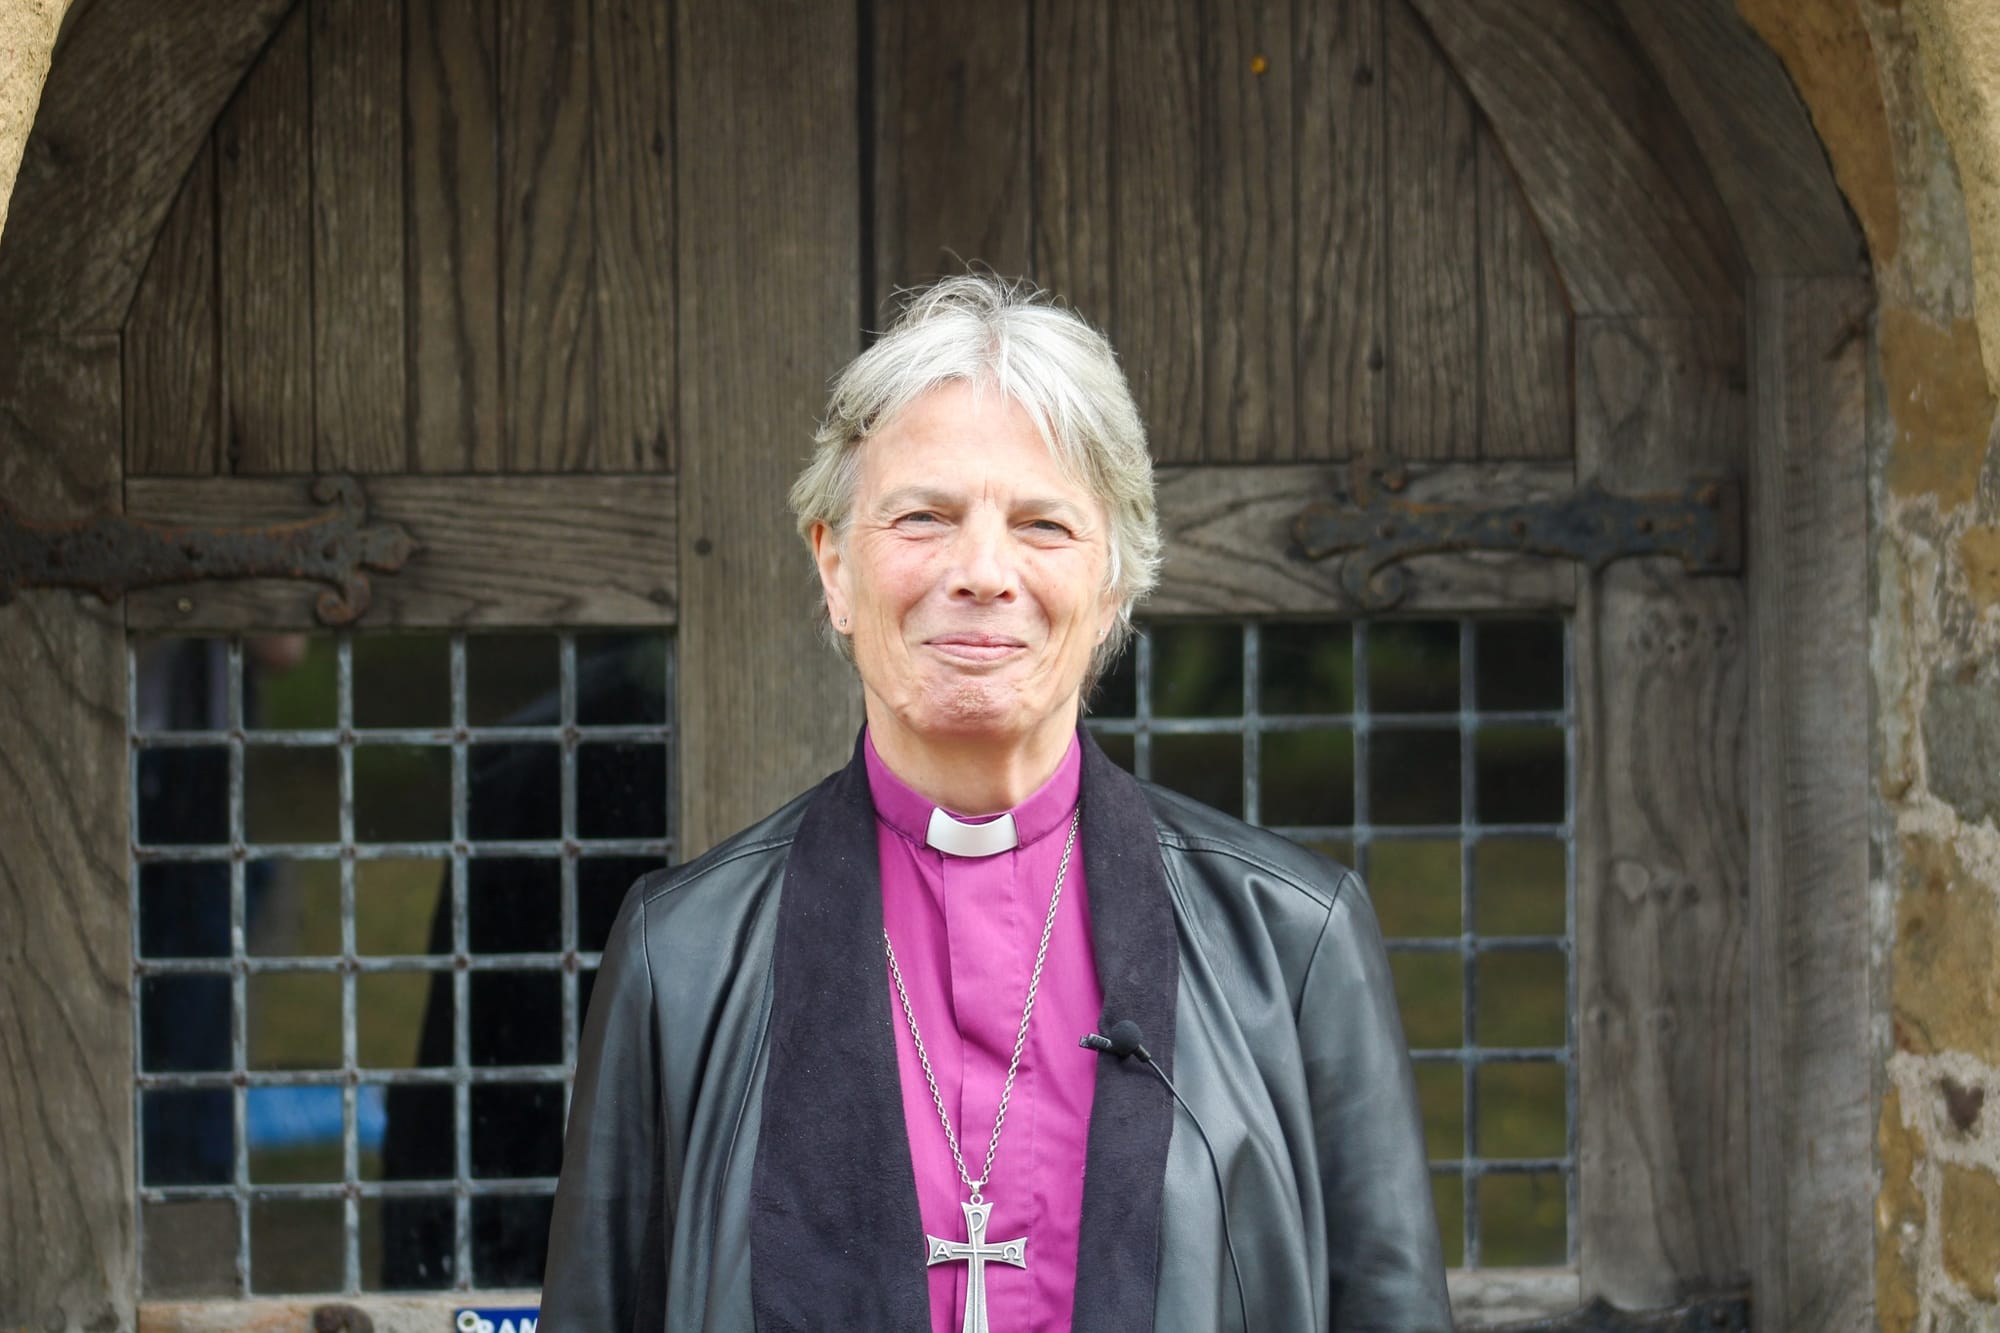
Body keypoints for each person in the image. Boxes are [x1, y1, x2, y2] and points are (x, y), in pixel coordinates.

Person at [540, 275, 1451, 1330]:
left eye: (1042, 524)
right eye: (922, 517)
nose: (981, 570)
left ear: (1112, 583)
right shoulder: (680, 952)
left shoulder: (1294, 939)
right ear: (834, 567)